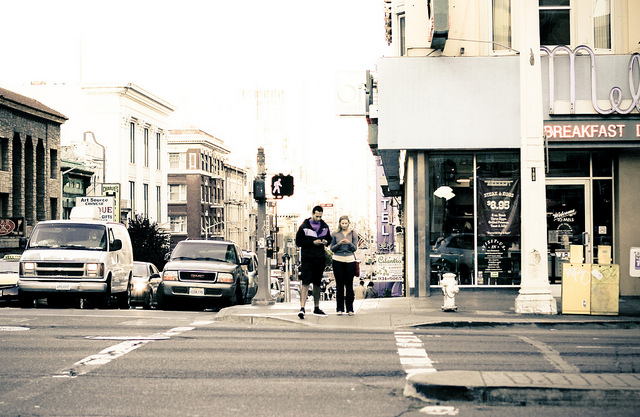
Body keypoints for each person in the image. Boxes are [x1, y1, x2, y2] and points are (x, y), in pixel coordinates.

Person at [295, 205, 331, 319]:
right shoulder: (304, 226)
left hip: (319, 258)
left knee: (317, 283)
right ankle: (302, 308)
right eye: (317, 216)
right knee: (305, 282)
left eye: (320, 216)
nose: (318, 218)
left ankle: (316, 307)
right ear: (312, 214)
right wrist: (312, 243)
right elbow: (298, 242)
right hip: (307, 258)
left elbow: (329, 239)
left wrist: (326, 241)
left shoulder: (324, 227)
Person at [330, 215, 358, 316]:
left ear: (349, 223)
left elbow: (354, 248)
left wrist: (349, 243)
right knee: (339, 285)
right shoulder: (335, 234)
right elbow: (332, 248)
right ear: (340, 224)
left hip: (350, 260)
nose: (344, 225)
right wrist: (339, 244)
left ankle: (350, 309)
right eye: (342, 223)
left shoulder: (353, 233)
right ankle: (339, 308)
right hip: (338, 259)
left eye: (346, 223)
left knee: (349, 285)